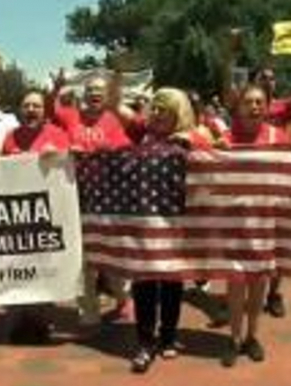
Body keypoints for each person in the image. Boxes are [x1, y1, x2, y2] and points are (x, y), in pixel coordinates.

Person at [223, 29, 291, 319]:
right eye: (263, 76)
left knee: (280, 240)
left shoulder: (283, 107)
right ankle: (240, 300)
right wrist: (232, 51)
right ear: (255, 82)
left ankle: (274, 294)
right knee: (243, 242)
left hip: (278, 185)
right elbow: (227, 83)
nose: (269, 79)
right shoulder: (243, 104)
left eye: (272, 76)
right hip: (247, 185)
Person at [129, 88, 213, 374]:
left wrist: (192, 142)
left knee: (172, 282)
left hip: (178, 221)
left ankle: (168, 336)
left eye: (163, 109)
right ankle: (144, 341)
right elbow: (117, 113)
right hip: (145, 220)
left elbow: (214, 156)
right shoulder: (141, 135)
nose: (156, 113)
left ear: (178, 112)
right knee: (144, 283)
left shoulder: (192, 137)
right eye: (154, 108)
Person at [50, 69, 138, 327]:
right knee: (82, 258)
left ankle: (123, 299)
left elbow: (127, 149)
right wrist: (56, 89)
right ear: (83, 95)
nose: (95, 95)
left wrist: (100, 148)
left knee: (108, 256)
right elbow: (50, 111)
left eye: (100, 91)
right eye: (91, 91)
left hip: (107, 198)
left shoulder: (113, 119)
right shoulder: (71, 116)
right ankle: (88, 309)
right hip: (75, 196)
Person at [221, 84, 291, 368]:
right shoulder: (225, 138)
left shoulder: (279, 137)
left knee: (258, 286)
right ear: (237, 108)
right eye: (248, 102)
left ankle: (253, 336)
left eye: (259, 102)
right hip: (233, 223)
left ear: (266, 106)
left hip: (266, 223)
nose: (253, 107)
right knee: (236, 285)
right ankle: (234, 339)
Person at [0, 90, 71, 344]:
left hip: (48, 211)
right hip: (17, 212)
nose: (31, 110)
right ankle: (20, 320)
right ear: (20, 110)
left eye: (36, 106)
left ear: (44, 111)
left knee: (44, 267)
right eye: (27, 105)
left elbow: (69, 172)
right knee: (20, 266)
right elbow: (0, 171)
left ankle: (41, 321)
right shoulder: (10, 137)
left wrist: (59, 157)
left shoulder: (58, 135)